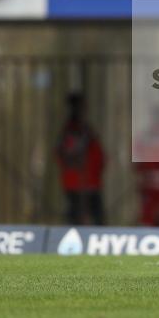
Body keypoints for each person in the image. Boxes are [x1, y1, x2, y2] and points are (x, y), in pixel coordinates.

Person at [55, 93, 105, 225]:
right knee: (82, 220)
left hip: (89, 182)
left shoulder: (85, 130)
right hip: (79, 183)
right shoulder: (72, 132)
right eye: (82, 107)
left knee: (94, 218)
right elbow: (63, 156)